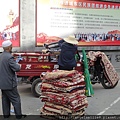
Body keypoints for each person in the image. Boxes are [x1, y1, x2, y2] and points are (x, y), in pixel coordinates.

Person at [0, 40, 27, 119]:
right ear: (8, 47)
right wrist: (18, 65)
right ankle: (18, 116)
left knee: (5, 100)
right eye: (11, 46)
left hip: (2, 83)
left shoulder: (1, 56)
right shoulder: (9, 57)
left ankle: (6, 115)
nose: (12, 47)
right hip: (9, 83)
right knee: (16, 100)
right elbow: (16, 68)